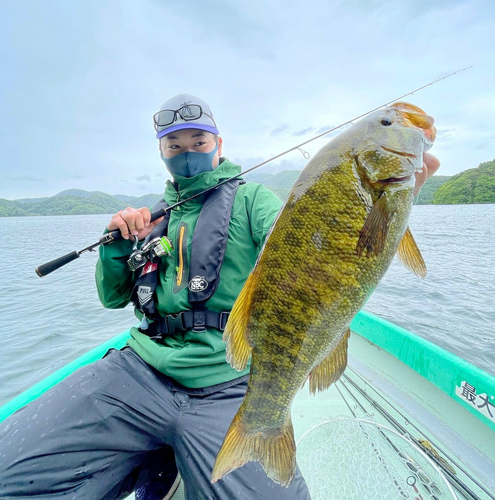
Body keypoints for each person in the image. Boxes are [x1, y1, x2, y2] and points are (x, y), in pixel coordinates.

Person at [0, 94, 440, 500]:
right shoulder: (149, 217)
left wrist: (379, 213)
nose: (187, 151)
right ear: (161, 152)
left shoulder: (253, 200)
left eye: (198, 140)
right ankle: (165, 462)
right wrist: (115, 244)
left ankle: (183, 456)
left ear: (217, 142)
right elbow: (113, 298)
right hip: (140, 371)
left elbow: (303, 236)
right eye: (174, 145)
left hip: (227, 382)